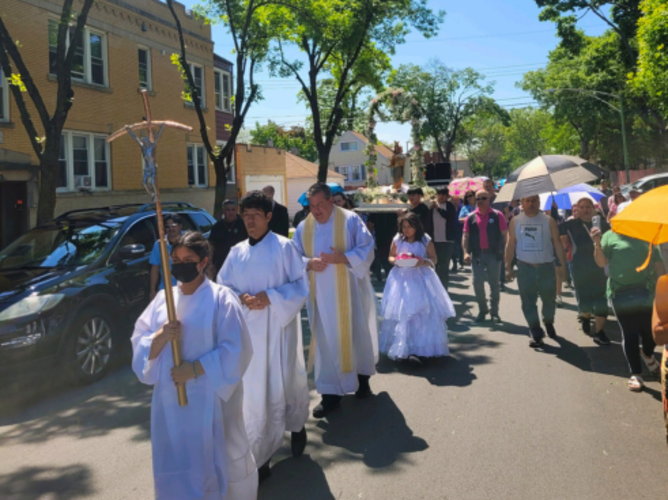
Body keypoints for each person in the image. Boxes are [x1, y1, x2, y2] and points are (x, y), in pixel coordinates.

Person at [132, 232, 258, 500]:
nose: (181, 265)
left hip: (212, 399)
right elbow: (140, 344)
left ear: (203, 262)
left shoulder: (221, 299)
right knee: (177, 461)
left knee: (214, 459)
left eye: (188, 259)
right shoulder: (163, 300)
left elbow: (237, 348)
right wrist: (161, 336)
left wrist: (196, 369)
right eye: (176, 259)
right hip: (171, 400)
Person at [218, 191, 310, 482]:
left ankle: (296, 426)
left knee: (284, 378)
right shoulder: (236, 252)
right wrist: (240, 297)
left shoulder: (285, 248)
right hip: (249, 332)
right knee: (256, 390)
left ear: (269, 217)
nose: (250, 221)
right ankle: (261, 454)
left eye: (256, 215)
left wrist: (270, 297)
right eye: (246, 216)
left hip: (279, 329)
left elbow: (301, 286)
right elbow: (222, 287)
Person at [293, 183, 378, 418]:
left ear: (331, 201)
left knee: (355, 334)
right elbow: (293, 256)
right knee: (324, 342)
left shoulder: (350, 220)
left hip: (349, 293)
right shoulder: (304, 227)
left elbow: (367, 247)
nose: (316, 210)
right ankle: (330, 395)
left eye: (321, 204)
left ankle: (362, 381)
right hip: (319, 296)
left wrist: (345, 258)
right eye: (312, 206)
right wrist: (308, 263)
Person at [593, 229, 666, 391]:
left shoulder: (647, 237)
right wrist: (597, 243)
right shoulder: (609, 236)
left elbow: (659, 266)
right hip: (620, 292)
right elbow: (601, 263)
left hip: (646, 291)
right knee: (630, 332)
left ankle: (646, 353)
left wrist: (662, 290)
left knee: (651, 333)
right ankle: (636, 374)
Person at [379, 212, 455, 364]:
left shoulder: (425, 240)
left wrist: (422, 262)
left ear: (416, 226)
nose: (406, 230)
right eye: (404, 227)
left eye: (409, 227)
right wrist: (397, 261)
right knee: (403, 312)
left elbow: (434, 258)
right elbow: (391, 256)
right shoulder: (398, 239)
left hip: (420, 278)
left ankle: (421, 348)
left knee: (422, 312)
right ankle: (403, 347)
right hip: (401, 278)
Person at [505, 195, 567, 347]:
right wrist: (508, 267)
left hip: (546, 267)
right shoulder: (515, 221)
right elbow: (510, 244)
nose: (530, 203)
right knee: (528, 302)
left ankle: (548, 321)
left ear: (539, 202)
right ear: (522, 203)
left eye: (534, 200)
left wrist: (563, 267)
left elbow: (558, 244)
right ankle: (535, 331)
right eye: (527, 200)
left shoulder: (548, 220)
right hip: (525, 268)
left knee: (549, 300)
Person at [560, 198, 611, 345]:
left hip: (600, 265)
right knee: (584, 297)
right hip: (579, 267)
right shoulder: (570, 225)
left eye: (588, 207)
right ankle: (586, 316)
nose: (585, 210)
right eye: (581, 207)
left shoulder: (602, 223)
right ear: (577, 209)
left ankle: (600, 332)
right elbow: (555, 233)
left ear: (593, 208)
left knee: (601, 298)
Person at [462, 189, 508, 323]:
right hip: (477, 255)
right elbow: (465, 236)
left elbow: (505, 234)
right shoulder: (470, 217)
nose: (480, 201)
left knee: (494, 284)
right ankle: (483, 310)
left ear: (489, 200)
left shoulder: (497, 215)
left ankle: (494, 312)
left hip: (493, 255)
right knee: (477, 283)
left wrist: (504, 251)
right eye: (478, 199)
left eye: (483, 198)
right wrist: (465, 252)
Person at [209, 200, 248, 275]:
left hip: (240, 263)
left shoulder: (243, 225)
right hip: (221, 264)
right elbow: (211, 246)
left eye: (233, 210)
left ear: (237, 210)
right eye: (228, 210)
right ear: (223, 211)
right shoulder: (217, 227)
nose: (231, 212)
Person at [430, 186, 458, 289]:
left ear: (447, 196)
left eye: (444, 195)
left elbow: (448, 216)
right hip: (434, 241)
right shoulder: (431, 205)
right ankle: (435, 288)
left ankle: (444, 288)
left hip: (446, 240)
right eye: (439, 194)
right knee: (434, 266)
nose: (441, 197)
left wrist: (438, 209)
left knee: (444, 266)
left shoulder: (449, 206)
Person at [149, 214, 182, 300]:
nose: (170, 229)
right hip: (166, 290)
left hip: (186, 289)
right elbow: (155, 267)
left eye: (173, 226)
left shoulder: (188, 242)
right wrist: (152, 290)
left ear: (180, 226)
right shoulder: (159, 244)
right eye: (167, 226)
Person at [450, 195, 464, 272]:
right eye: (454, 200)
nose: (455, 202)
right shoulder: (450, 209)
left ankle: (461, 261)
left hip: (461, 229)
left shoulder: (462, 208)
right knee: (454, 248)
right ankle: (455, 264)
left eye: (457, 200)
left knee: (461, 247)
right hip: (452, 230)